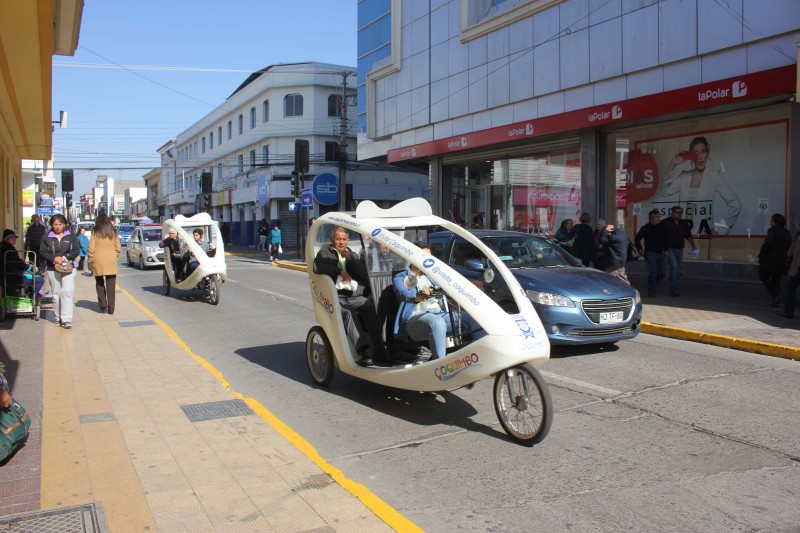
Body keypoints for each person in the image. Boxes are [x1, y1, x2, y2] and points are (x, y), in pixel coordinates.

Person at [392, 244, 483, 363]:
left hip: (439, 314)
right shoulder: (400, 277)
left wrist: (472, 285)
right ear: (412, 256)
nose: (426, 260)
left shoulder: (433, 277)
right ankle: (440, 364)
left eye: (429, 257)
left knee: (473, 318)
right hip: (414, 317)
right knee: (437, 322)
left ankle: (483, 355)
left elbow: (453, 284)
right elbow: (404, 294)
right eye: (423, 256)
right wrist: (419, 295)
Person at [313, 226, 385, 366]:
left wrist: (351, 260)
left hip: (353, 295)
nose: (341, 242)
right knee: (348, 314)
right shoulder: (325, 252)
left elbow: (363, 274)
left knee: (371, 308)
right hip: (335, 296)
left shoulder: (350, 253)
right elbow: (317, 267)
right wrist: (339, 271)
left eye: (344, 239)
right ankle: (363, 352)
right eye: (339, 239)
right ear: (332, 239)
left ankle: (379, 349)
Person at [662, 136, 741, 235]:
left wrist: (721, 231)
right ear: (691, 156)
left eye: (703, 152)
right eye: (696, 153)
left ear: (707, 154)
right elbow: (664, 192)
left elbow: (735, 204)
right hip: (682, 235)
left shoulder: (713, 176)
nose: (700, 157)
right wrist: (672, 165)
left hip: (703, 236)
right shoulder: (684, 176)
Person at [39, 214, 79, 328]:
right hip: (52, 268)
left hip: (69, 267)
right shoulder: (47, 236)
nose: (57, 227)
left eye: (60, 224)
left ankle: (67, 319)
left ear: (64, 224)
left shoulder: (71, 236)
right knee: (56, 293)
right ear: (52, 225)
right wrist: (54, 258)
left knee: (66, 291)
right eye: (55, 224)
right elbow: (42, 251)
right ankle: (58, 317)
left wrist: (65, 258)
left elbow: (76, 250)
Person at [87, 214, 120, 314]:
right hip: (111, 259)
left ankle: (102, 306)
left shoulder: (95, 231)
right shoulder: (113, 231)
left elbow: (91, 247)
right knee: (111, 285)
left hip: (98, 259)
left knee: (99, 283)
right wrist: (116, 256)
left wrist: (90, 258)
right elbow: (117, 246)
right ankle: (111, 308)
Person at [757, 213, 792, 307]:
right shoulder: (786, 232)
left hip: (770, 259)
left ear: (775, 221)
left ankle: (776, 294)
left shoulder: (772, 231)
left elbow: (768, 243)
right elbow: (789, 244)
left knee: (763, 276)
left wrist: (762, 252)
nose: (770, 222)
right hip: (781, 259)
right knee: (776, 279)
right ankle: (776, 301)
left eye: (771, 220)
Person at [664, 205, 698, 297]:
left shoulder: (684, 223)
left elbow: (688, 236)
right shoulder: (666, 222)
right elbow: (661, 237)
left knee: (678, 269)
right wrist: (664, 249)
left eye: (681, 212)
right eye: (677, 212)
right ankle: (673, 288)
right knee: (674, 267)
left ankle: (674, 285)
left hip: (679, 249)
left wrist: (693, 246)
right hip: (669, 248)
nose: (679, 214)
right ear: (672, 213)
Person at [635, 209, 669, 297]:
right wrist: (640, 249)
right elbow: (637, 239)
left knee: (662, 272)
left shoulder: (663, 226)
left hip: (661, 253)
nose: (657, 219)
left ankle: (652, 285)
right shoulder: (646, 228)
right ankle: (652, 292)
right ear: (651, 218)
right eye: (655, 217)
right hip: (650, 254)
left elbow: (666, 238)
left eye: (658, 217)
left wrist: (666, 249)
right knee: (653, 273)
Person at [0, 229, 44, 296]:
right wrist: (30, 268)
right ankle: (30, 298)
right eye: (12, 238)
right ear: (7, 239)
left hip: (6, 277)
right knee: (39, 280)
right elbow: (18, 263)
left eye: (15, 237)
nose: (15, 239)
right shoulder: (9, 250)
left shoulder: (3, 247)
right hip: (11, 277)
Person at [779, 228, 800, 318]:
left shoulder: (799, 238)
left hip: (798, 269)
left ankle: (788, 312)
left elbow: (797, 257)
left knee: (790, 288)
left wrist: (793, 271)